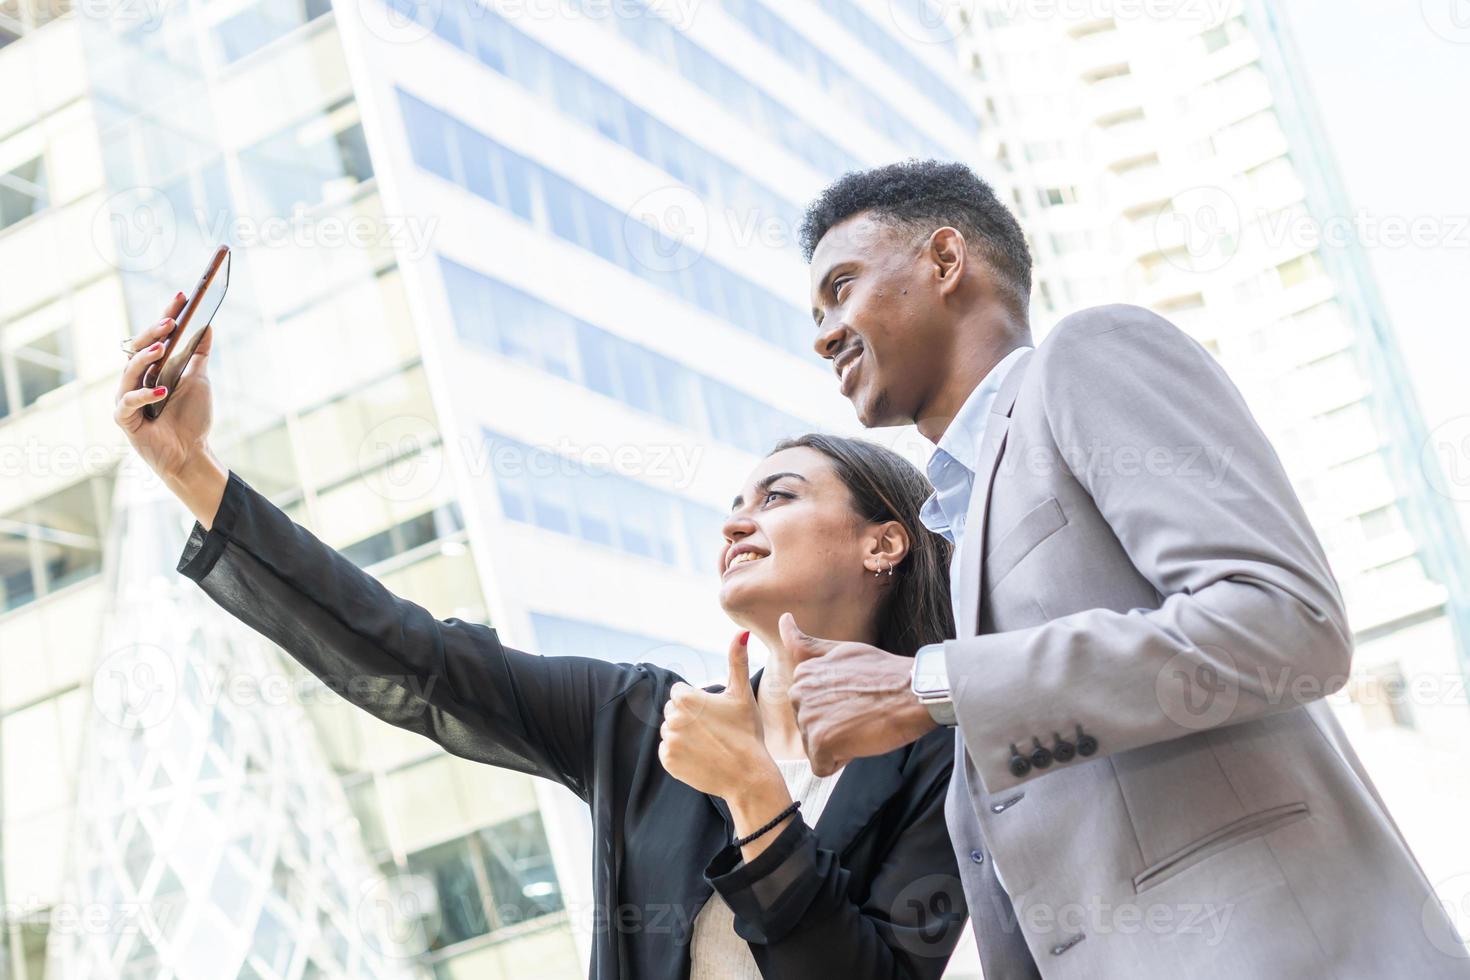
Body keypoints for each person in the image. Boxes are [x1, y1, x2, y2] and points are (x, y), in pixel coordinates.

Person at [111, 292, 967, 979]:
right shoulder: (640, 722)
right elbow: (415, 658)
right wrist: (190, 467)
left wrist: (756, 797)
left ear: (883, 540)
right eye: (734, 506)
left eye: (777, 497)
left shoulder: (947, 753)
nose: (737, 525)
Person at [781, 159, 1470, 978]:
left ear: (944, 260)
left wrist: (927, 685)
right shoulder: (959, 536)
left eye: (843, 286)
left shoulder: (1085, 355)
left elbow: (1285, 620)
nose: (823, 333)